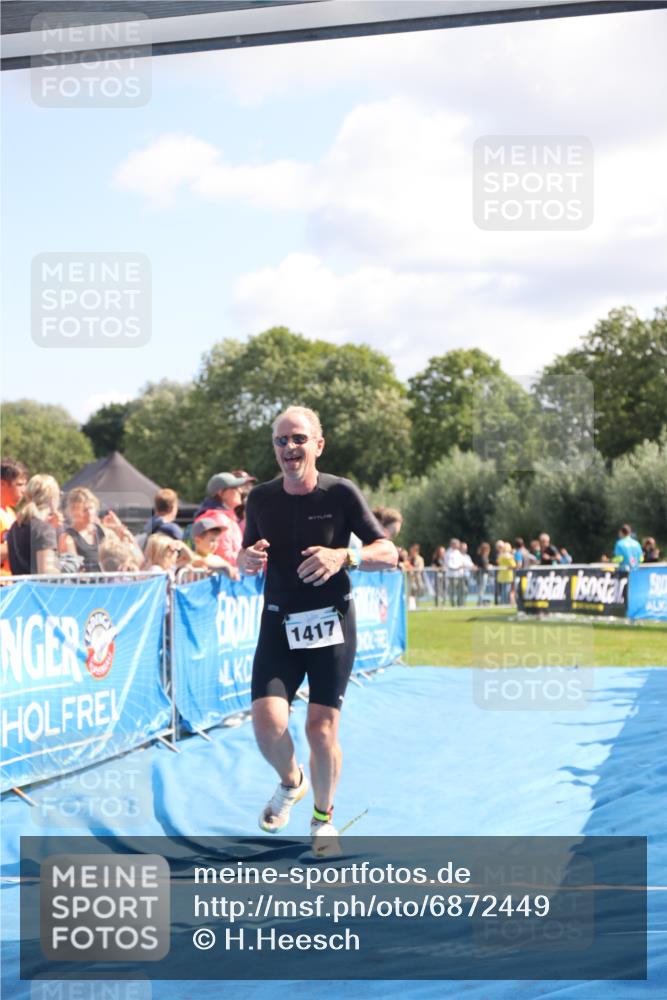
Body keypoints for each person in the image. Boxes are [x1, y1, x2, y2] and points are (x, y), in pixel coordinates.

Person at [237, 405, 397, 852]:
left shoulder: (340, 493)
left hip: (332, 624)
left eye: (299, 439)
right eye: (281, 440)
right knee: (267, 724)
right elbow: (247, 552)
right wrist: (245, 559)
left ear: (318, 445)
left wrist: (344, 556)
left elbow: (389, 552)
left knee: (320, 729)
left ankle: (323, 819)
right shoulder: (261, 498)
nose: (289, 447)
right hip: (278, 622)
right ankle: (292, 782)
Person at [6, 474, 61, 575]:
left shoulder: (15, 526)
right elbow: (46, 573)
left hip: (19, 585)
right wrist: (68, 567)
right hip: (38, 585)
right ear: (52, 498)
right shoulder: (44, 529)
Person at [195, 472, 250, 566]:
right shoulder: (219, 519)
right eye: (235, 488)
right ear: (221, 493)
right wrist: (250, 558)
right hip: (227, 574)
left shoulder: (224, 517)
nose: (240, 491)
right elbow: (225, 558)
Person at [1, 458, 28, 575]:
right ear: (2, 484)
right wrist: (20, 544)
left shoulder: (11, 513)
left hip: (11, 581)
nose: (24, 490)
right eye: (19, 484)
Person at [444, 538, 465, 607]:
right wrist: (457, 568)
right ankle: (453, 604)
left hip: (460, 574)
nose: (458, 545)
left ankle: (460, 603)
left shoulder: (458, 552)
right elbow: (448, 564)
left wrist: (461, 566)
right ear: (453, 544)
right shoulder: (448, 553)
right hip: (452, 575)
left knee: (461, 590)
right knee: (452, 591)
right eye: (457, 544)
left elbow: (462, 562)